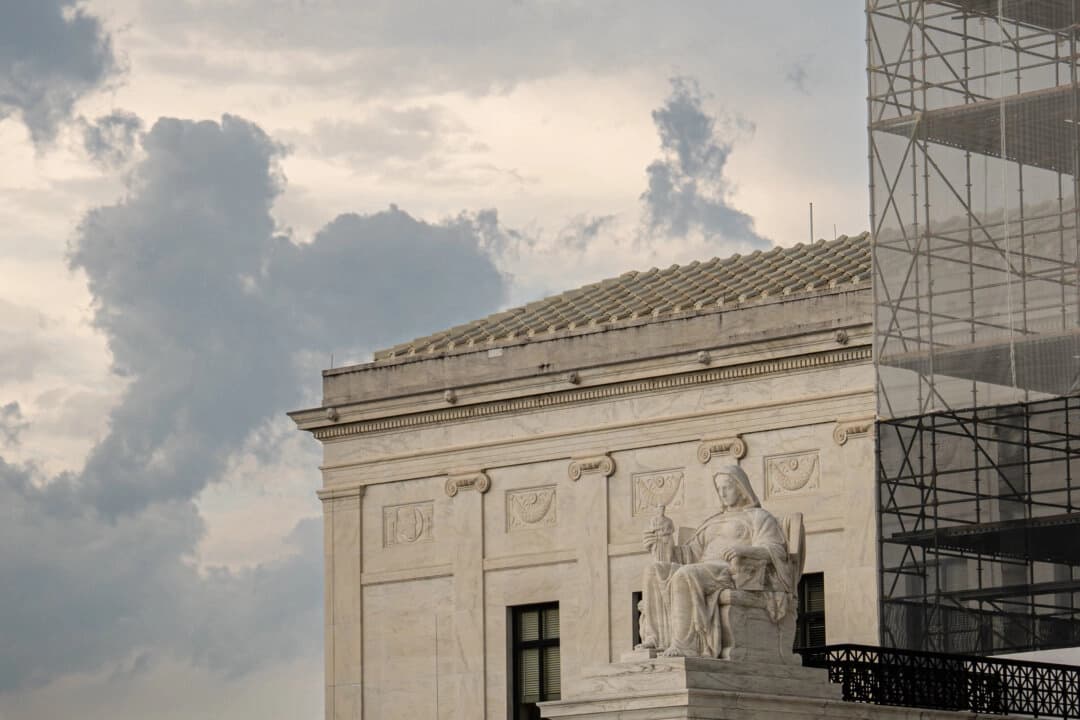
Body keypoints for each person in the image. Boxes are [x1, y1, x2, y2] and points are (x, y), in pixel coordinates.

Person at [636, 465, 793, 658]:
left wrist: (743, 550)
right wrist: (663, 544)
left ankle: (685, 645)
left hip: (732, 572)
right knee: (653, 570)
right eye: (719, 489)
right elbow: (690, 554)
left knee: (686, 574)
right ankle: (656, 638)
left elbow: (775, 549)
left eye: (727, 487)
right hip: (704, 568)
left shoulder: (758, 517)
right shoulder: (713, 521)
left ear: (741, 488)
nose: (722, 493)